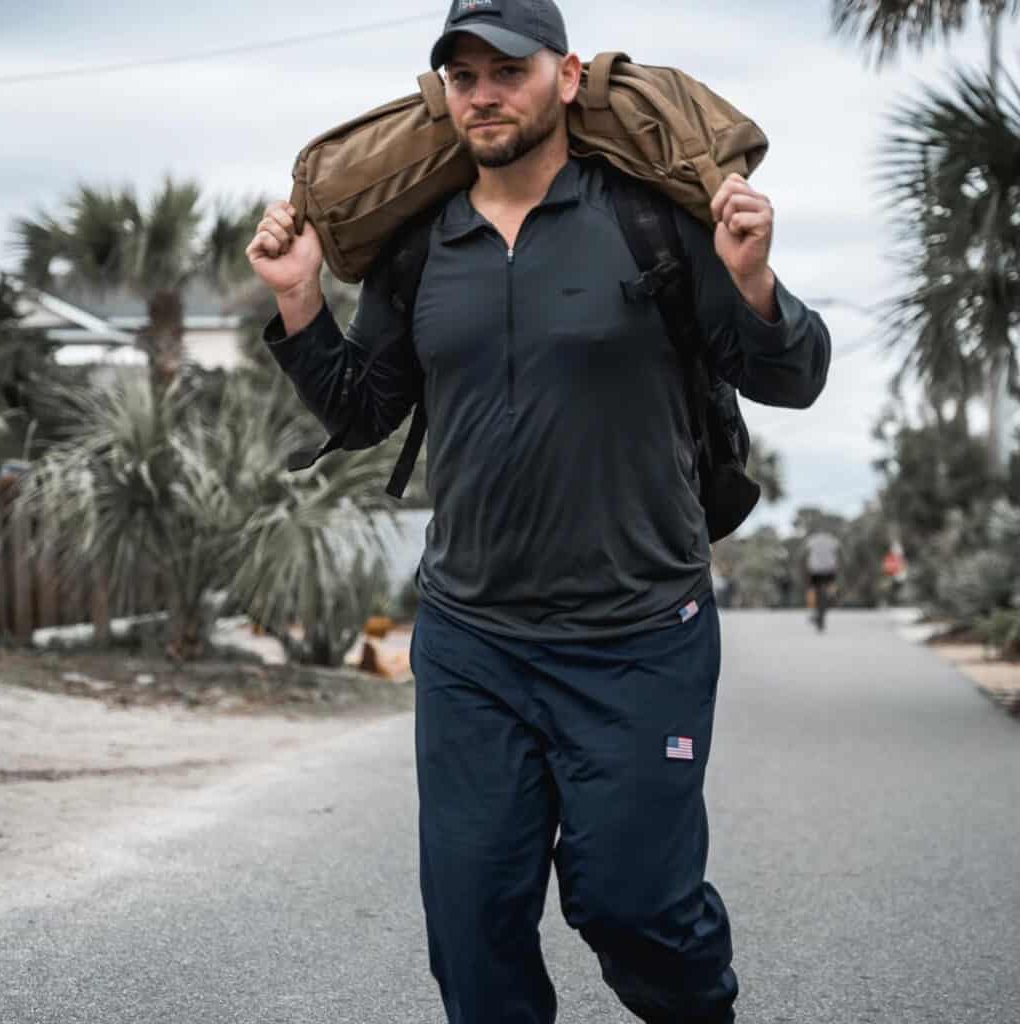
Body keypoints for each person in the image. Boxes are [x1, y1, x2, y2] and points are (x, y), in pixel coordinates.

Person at [246, 1, 831, 1019]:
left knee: (632, 905)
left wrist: (753, 280)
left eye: (506, 70)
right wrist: (301, 302)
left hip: (640, 629)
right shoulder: (421, 248)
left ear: (563, 79)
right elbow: (364, 405)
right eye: (462, 75)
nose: (483, 92)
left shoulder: (650, 221)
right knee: (471, 922)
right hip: (474, 638)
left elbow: (794, 378)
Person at [804, 529, 840, 631]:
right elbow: (837, 551)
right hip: (830, 568)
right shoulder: (832, 539)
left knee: (812, 589)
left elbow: (807, 552)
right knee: (831, 585)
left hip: (815, 569)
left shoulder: (812, 539)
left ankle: (811, 609)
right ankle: (832, 597)